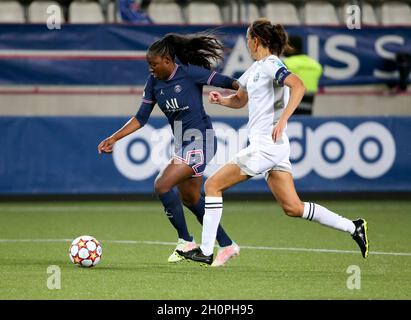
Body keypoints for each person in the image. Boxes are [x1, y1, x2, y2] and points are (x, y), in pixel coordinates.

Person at [178, 19, 369, 265]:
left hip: (266, 146)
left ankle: (205, 250)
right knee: (293, 207)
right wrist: (222, 100)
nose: (246, 43)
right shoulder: (254, 70)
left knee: (212, 186)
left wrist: (283, 121)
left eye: (248, 39)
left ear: (256, 40)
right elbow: (240, 99)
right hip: (274, 148)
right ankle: (354, 227)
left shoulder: (271, 64)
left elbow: (298, 86)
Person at [98, 33, 240, 266]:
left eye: (153, 64)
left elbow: (224, 81)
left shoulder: (189, 73)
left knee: (162, 184)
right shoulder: (153, 82)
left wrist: (241, 88)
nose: (151, 69)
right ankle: (227, 244)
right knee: (191, 197)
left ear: (167, 60)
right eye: (148, 65)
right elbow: (140, 118)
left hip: (202, 139)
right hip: (183, 143)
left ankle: (186, 241)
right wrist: (114, 138)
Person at [283, 35, 323, 115]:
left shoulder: (286, 63)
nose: (284, 49)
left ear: (292, 47)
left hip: (288, 112)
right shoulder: (316, 65)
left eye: (286, 46)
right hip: (307, 111)